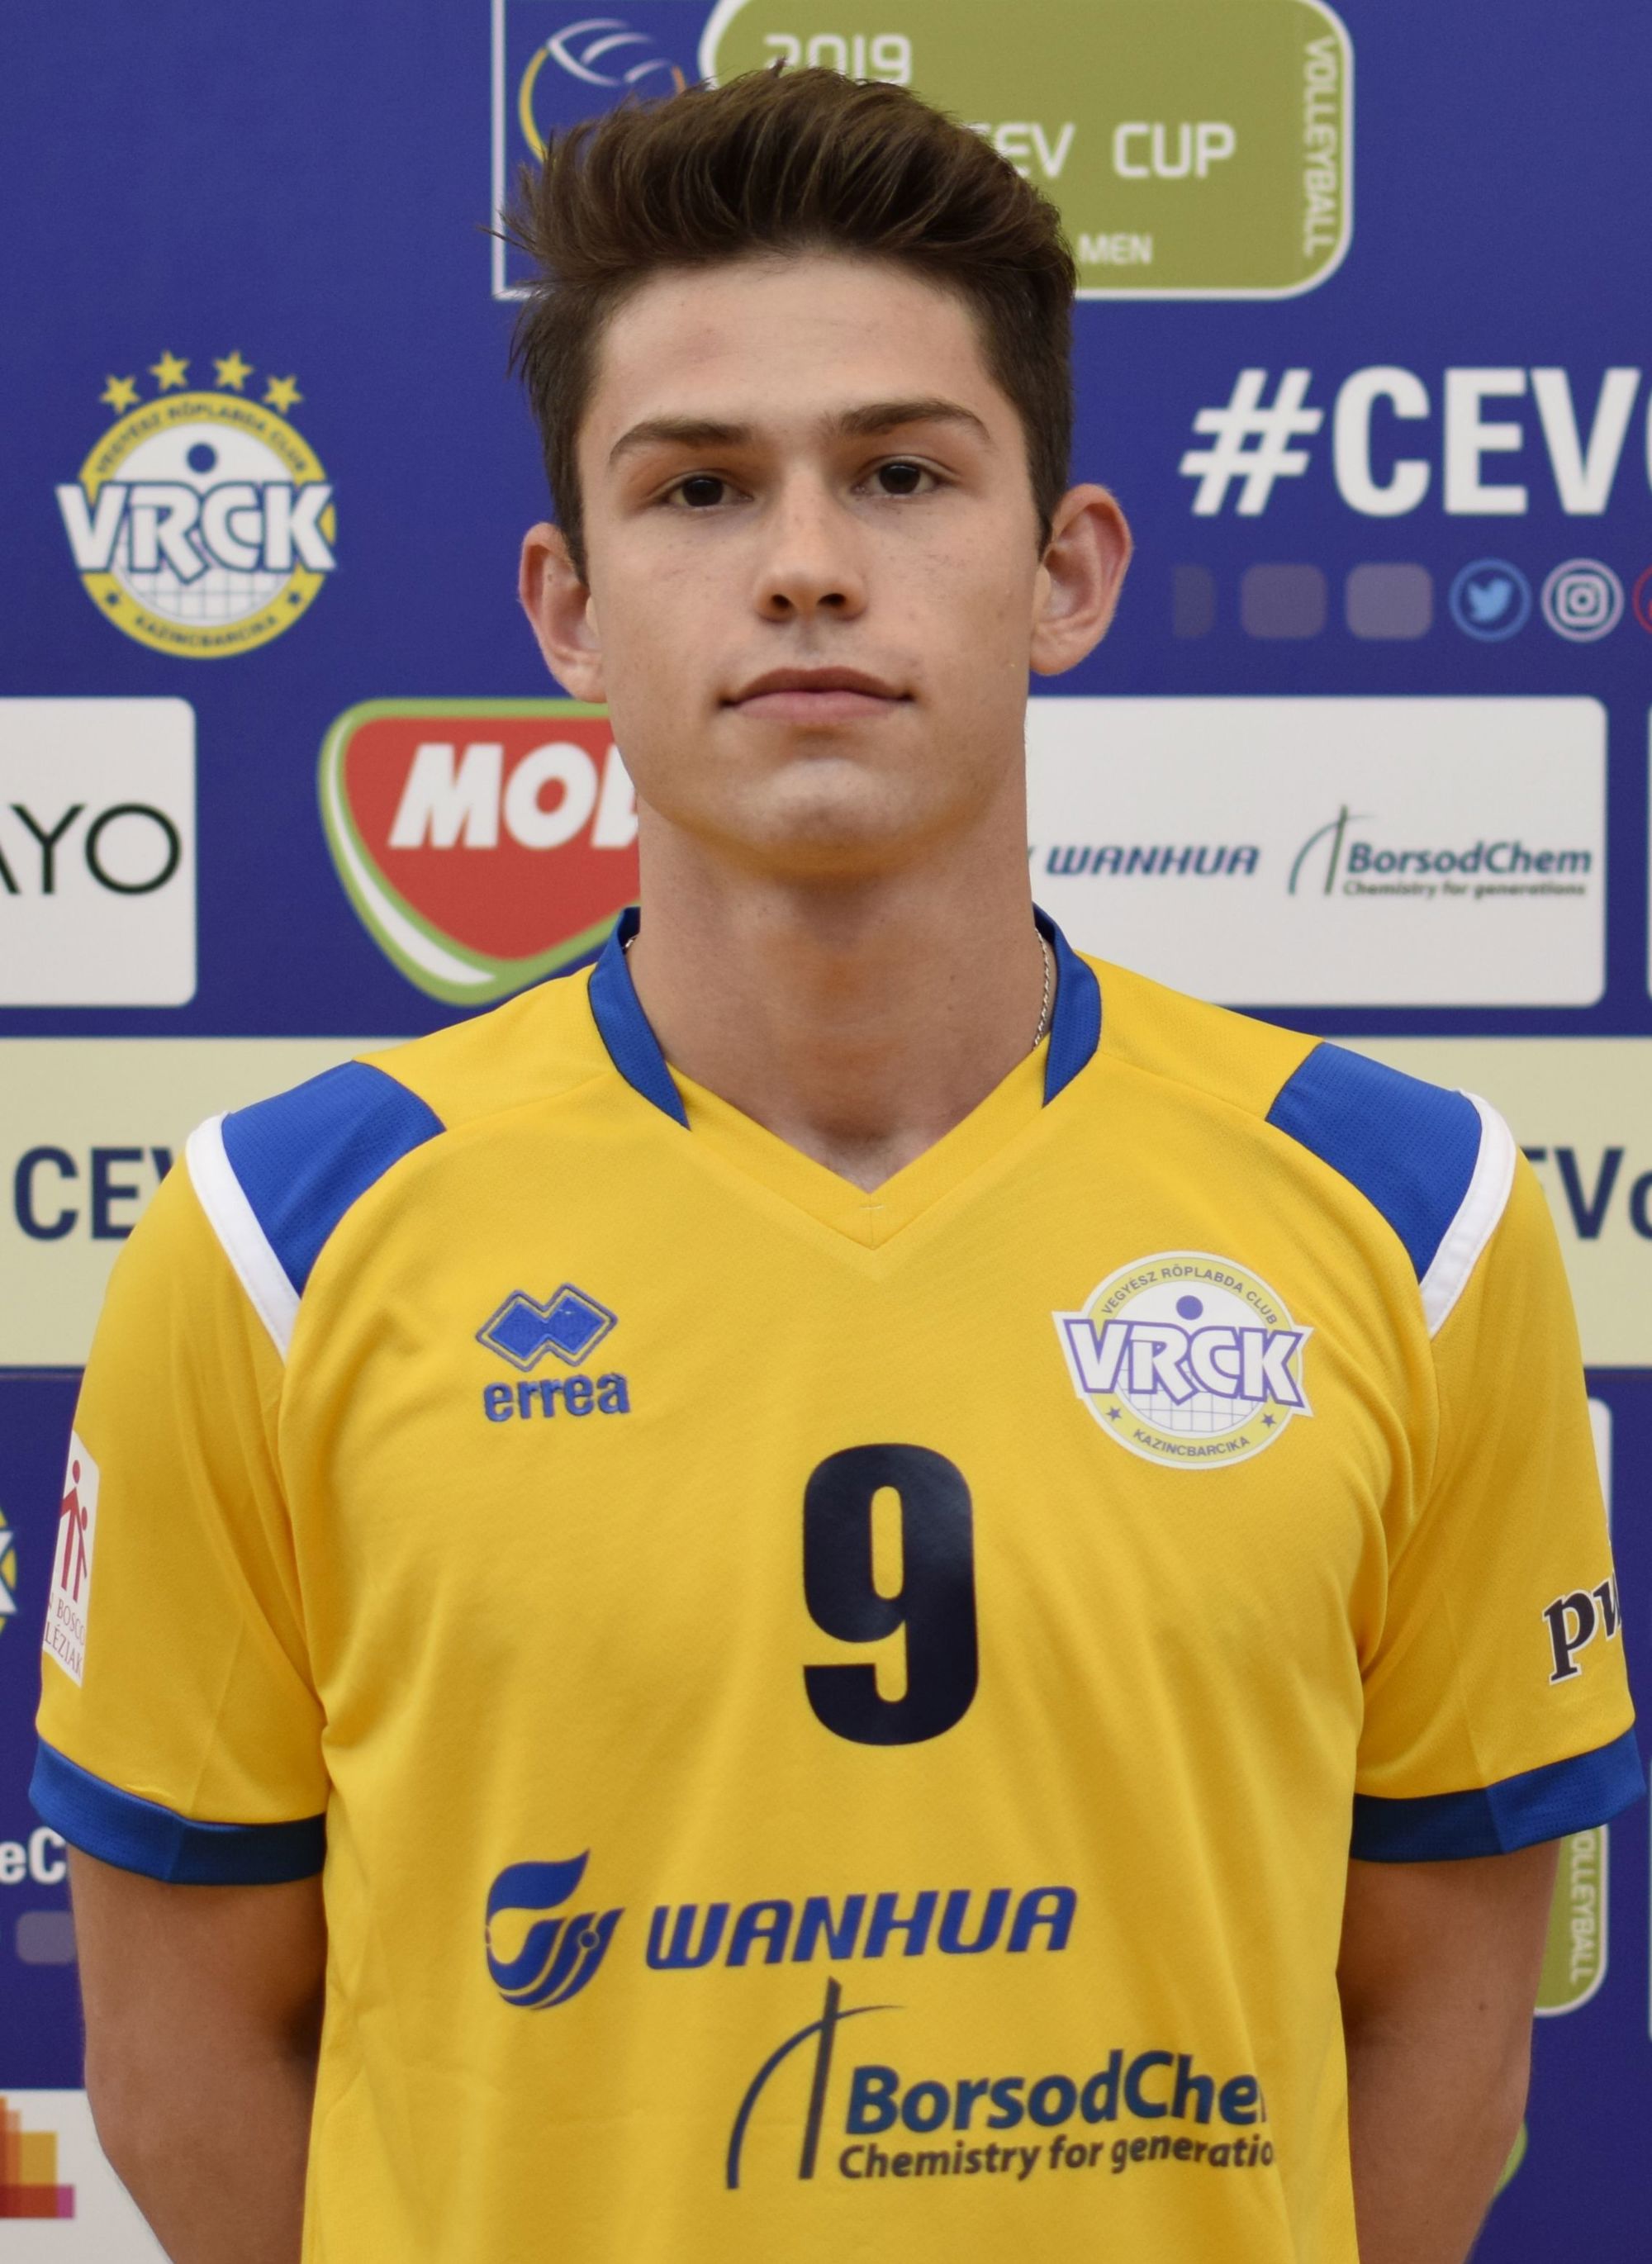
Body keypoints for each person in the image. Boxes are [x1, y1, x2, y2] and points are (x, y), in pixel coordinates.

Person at [33, 65, 1640, 2264]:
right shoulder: (277, 1244)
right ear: (568, 608)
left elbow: (1440, 2041)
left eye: (901, 473)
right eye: (698, 489)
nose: (804, 564)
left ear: (1066, 572)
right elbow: (181, 2058)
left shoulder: (1411, 1217)